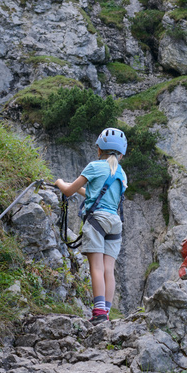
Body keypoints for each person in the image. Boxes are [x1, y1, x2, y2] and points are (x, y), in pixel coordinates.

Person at [54, 128, 128, 324]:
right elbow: (97, 195)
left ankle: (99, 313)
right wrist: (79, 190)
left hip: (97, 220)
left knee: (96, 267)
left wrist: (60, 182)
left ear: (99, 150)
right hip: (115, 223)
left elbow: (68, 191)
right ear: (121, 154)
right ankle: (107, 313)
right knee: (108, 269)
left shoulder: (94, 167)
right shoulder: (121, 173)